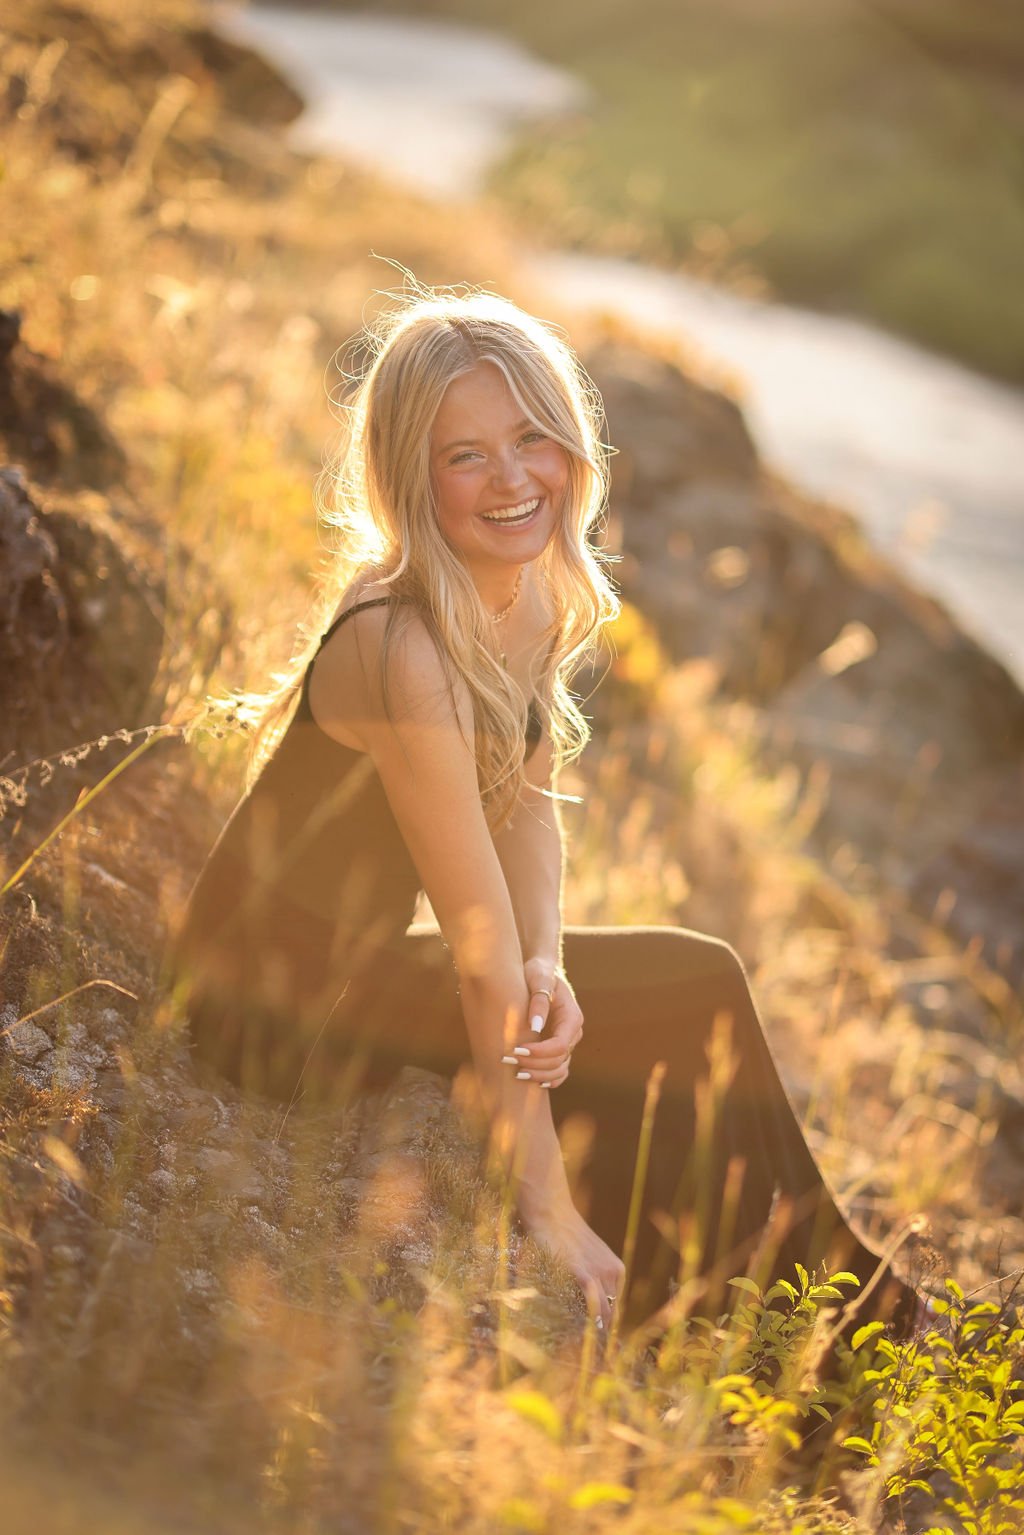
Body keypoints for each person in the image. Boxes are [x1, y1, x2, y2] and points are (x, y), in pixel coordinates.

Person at [162, 285, 925, 1341]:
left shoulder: (514, 588)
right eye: (464, 453)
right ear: (410, 476)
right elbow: (476, 949)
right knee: (690, 981)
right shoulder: (403, 643)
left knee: (651, 993)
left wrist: (550, 963)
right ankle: (827, 1316)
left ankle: (813, 1303)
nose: (513, 477)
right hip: (274, 1006)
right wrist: (547, 1204)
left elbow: (524, 801)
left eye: (532, 437)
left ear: (572, 441)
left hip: (364, 960)